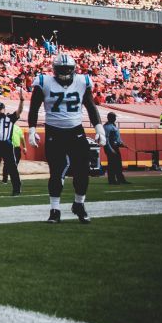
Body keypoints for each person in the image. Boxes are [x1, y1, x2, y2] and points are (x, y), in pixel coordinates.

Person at [27, 52, 106, 224]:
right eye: (61, 69)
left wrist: (99, 127)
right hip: (54, 131)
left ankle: (79, 204)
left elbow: (91, 106)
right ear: (54, 70)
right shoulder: (43, 82)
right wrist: (31, 130)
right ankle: (55, 210)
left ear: (73, 70)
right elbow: (33, 108)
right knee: (56, 172)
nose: (64, 72)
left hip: (75, 131)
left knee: (83, 171)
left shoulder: (82, 82)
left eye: (67, 69)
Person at [0, 98, 24, 195]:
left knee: (12, 167)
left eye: (0, 109)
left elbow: (19, 112)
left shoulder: (9, 118)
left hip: (6, 145)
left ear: (4, 109)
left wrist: (22, 101)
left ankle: (16, 189)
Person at [103, 112, 129, 185]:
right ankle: (112, 180)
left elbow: (117, 138)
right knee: (112, 165)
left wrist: (122, 143)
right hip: (110, 147)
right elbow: (106, 140)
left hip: (115, 146)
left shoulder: (113, 125)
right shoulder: (107, 127)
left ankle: (121, 179)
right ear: (109, 118)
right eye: (114, 117)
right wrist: (111, 150)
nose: (115, 118)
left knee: (118, 164)